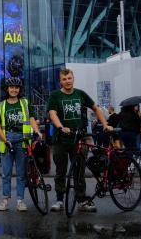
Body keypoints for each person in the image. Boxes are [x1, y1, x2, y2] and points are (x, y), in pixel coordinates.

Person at [47, 68, 110, 212]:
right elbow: (52, 113)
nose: (67, 81)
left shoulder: (81, 94)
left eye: (69, 78)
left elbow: (96, 108)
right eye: (64, 79)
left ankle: (81, 200)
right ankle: (59, 200)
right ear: (60, 81)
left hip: (79, 138)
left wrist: (105, 124)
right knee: (60, 171)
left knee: (79, 172)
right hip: (60, 140)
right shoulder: (55, 96)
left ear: (73, 78)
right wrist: (60, 126)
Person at [0, 77, 43, 212]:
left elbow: (31, 119)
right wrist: (5, 140)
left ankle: (20, 201)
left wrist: (38, 132)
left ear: (20, 89)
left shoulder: (25, 103)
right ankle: (5, 200)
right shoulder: (1, 105)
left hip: (22, 141)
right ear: (7, 89)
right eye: (11, 87)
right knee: (6, 173)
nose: (14, 89)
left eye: (17, 87)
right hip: (7, 140)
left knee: (22, 173)